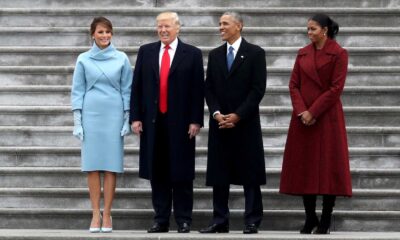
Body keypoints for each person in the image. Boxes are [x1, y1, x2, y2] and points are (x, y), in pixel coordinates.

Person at [129, 11, 204, 233]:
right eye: (159, 26)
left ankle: (183, 219)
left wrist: (195, 120)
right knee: (158, 171)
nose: (162, 30)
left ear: (178, 28)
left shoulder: (192, 54)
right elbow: (137, 87)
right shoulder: (146, 51)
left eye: (167, 26)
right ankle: (161, 219)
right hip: (153, 122)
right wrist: (135, 117)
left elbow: (197, 90)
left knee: (181, 172)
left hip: (181, 123)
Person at [279, 13, 352, 234]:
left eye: (313, 29)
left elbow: (335, 89)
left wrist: (313, 111)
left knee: (329, 168)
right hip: (303, 119)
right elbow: (293, 85)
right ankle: (310, 217)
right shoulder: (302, 54)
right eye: (308, 29)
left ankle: (326, 219)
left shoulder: (339, 53)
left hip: (327, 117)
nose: (309, 33)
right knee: (304, 167)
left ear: (325, 30)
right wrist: (302, 111)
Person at [199, 12, 266, 234]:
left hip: (245, 123)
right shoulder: (216, 54)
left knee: (250, 173)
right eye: (219, 24)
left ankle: (252, 220)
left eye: (225, 24)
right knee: (220, 173)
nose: (221, 27)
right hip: (220, 123)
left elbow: (257, 89)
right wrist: (217, 113)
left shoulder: (255, 53)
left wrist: (238, 115)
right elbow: (209, 87)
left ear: (239, 26)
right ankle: (220, 220)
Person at [71, 16, 133, 233]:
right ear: (92, 35)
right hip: (91, 114)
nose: (105, 36)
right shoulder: (83, 59)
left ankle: (107, 213)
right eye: (100, 32)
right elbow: (77, 91)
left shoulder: (121, 58)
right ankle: (95, 213)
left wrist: (127, 118)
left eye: (108, 32)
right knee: (92, 166)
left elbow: (128, 89)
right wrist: (78, 121)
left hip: (113, 114)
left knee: (110, 166)